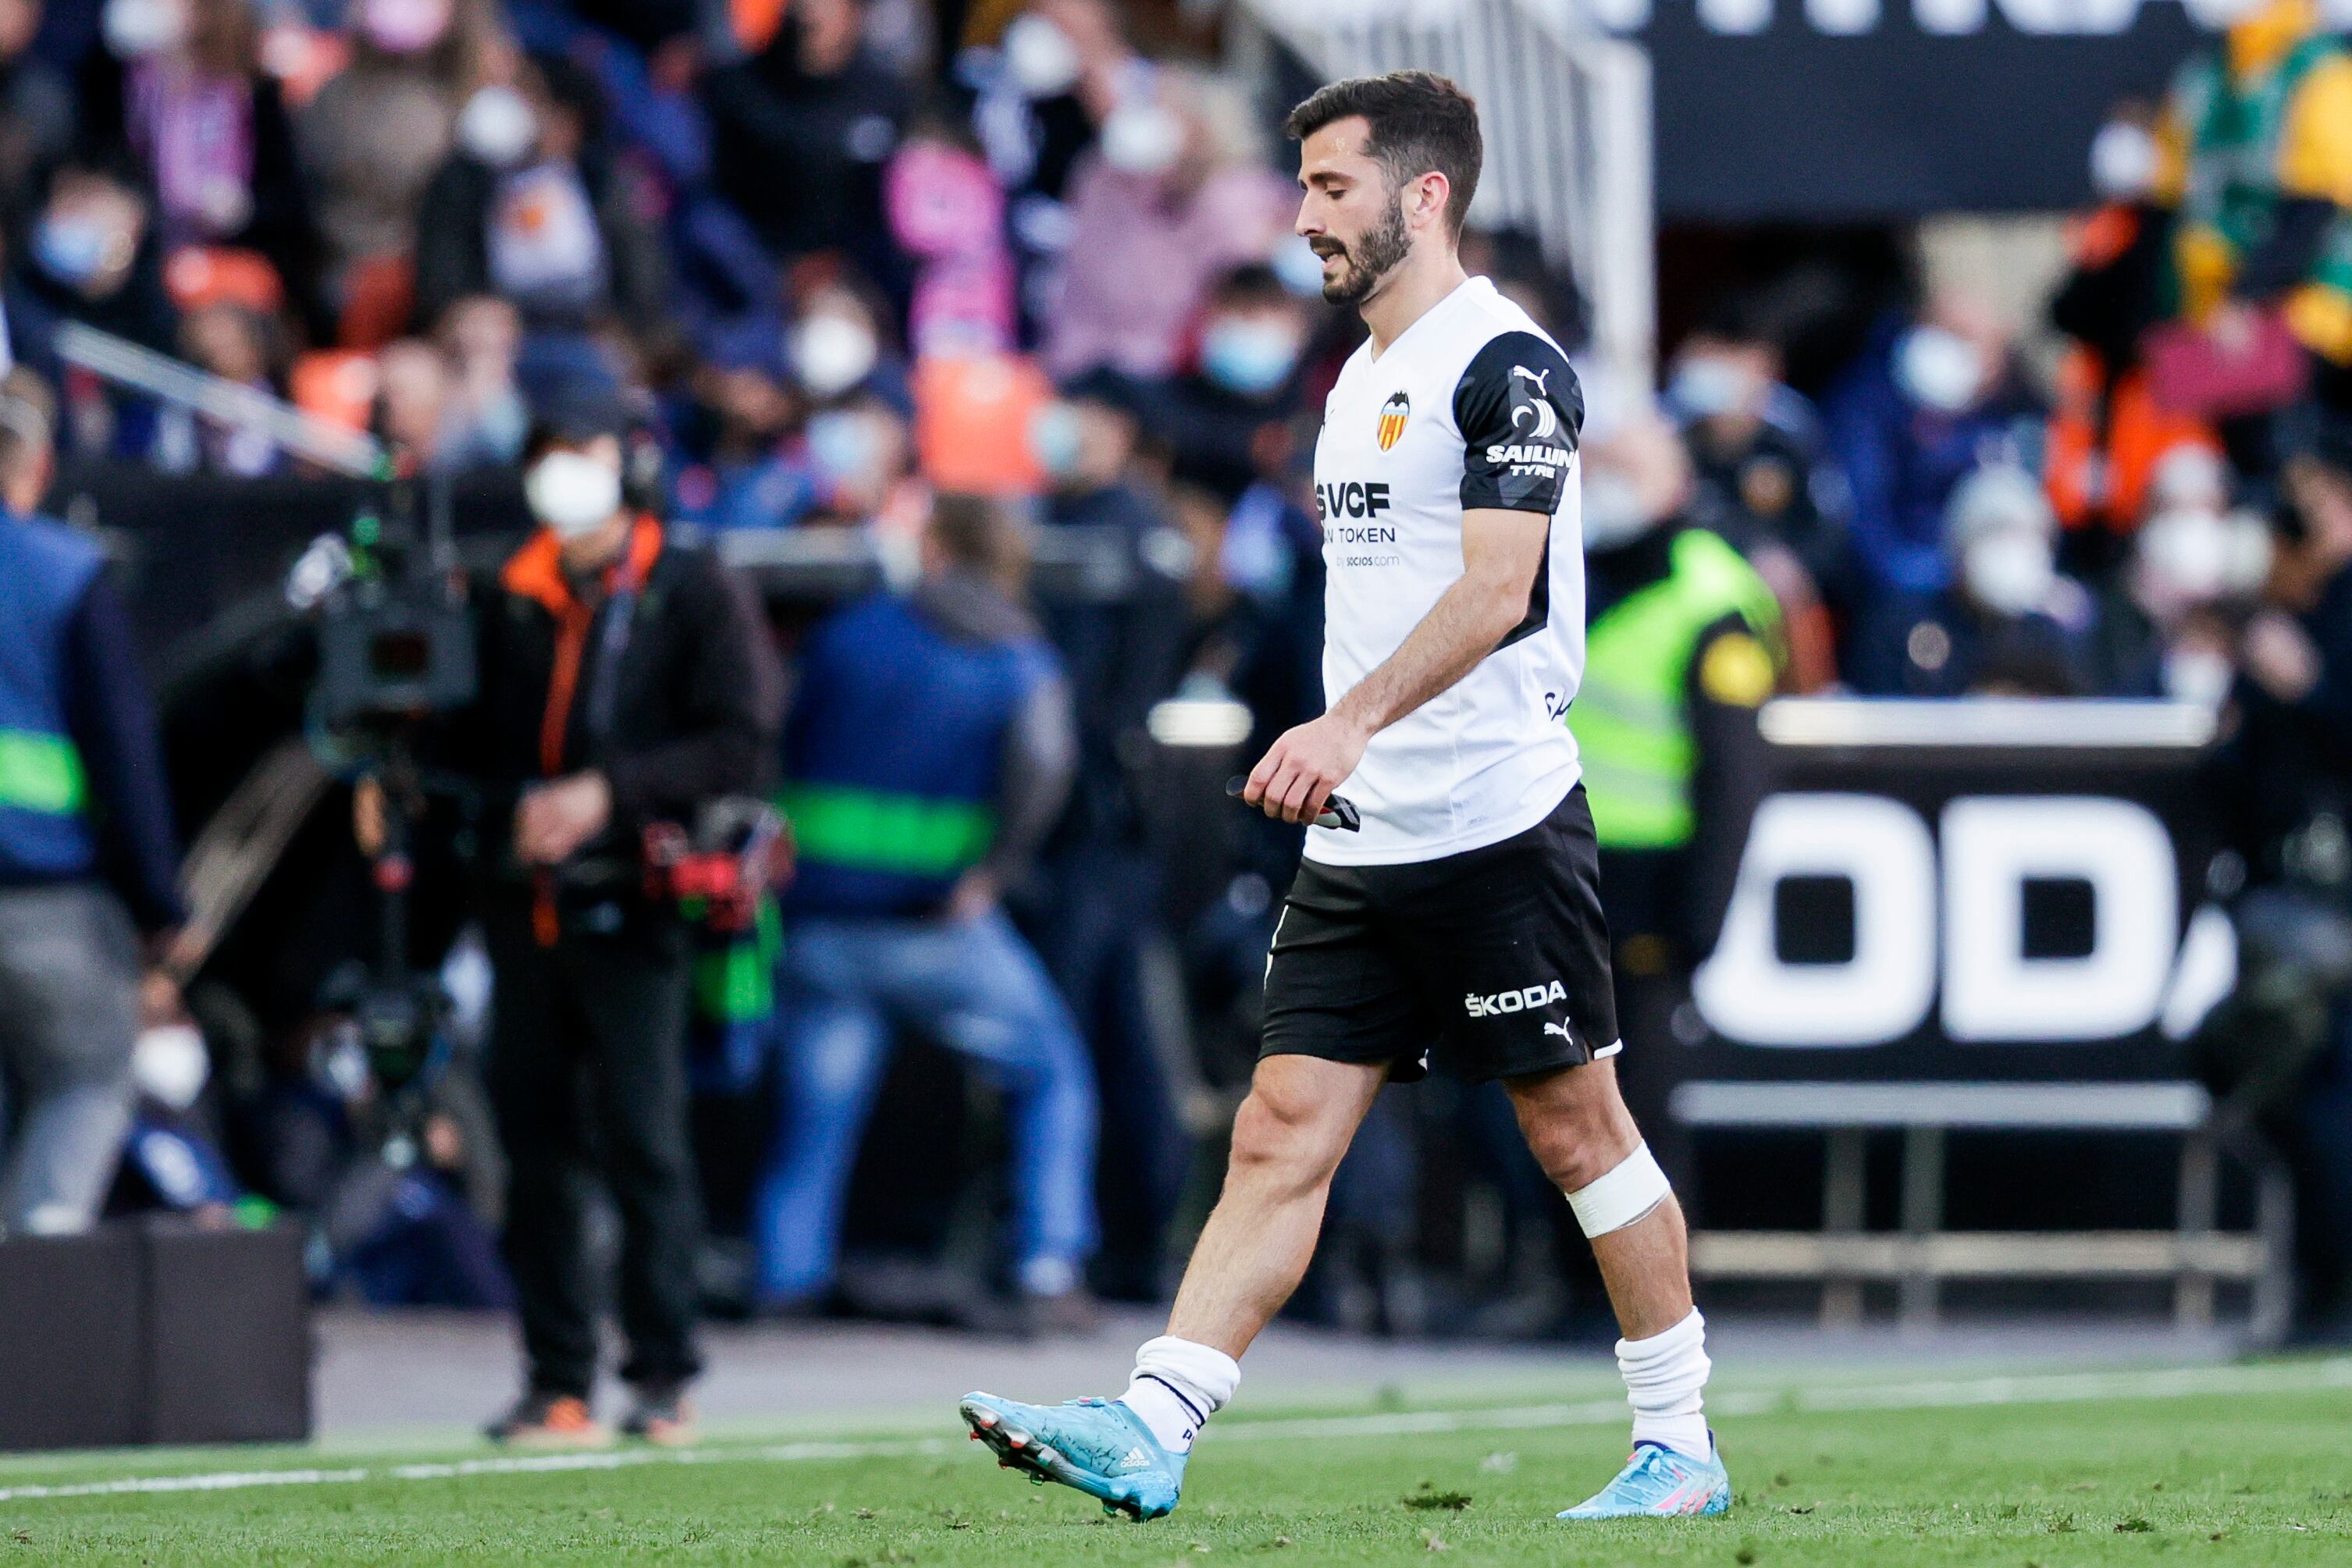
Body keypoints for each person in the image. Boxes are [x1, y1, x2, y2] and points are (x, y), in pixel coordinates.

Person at [959, 70, 1731, 1524]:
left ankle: (1676, 1439)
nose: (1304, 215)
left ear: (1422, 194)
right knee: (1278, 1123)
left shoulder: (1507, 365)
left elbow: (1498, 594)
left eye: (1330, 186)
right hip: (1366, 835)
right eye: (1303, 184)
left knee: (1575, 1132)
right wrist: (1346, 746)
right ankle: (1152, 1419)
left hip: (1497, 825)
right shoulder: (1356, 377)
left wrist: (1347, 721)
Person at [449, 402, 781, 1448]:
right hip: (524, 904)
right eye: (548, 459)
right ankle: (557, 1381)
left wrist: (609, 793)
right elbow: (469, 738)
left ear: (629, 466)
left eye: (580, 456)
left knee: (645, 1141)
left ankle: (663, 1376)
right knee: (535, 1148)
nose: (565, 479)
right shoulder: (507, 592)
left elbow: (740, 741)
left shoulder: (691, 586)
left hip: (637, 903)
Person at [756, 493, 1098, 1324]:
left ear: (936, 547)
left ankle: (783, 1275)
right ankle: (1047, 1267)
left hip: (823, 921)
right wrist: (995, 870)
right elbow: (1047, 765)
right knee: (1052, 1073)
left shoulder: (847, 634)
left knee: (816, 1109)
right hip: (936, 925)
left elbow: (777, 741)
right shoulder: (1018, 656)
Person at [1570, 411, 1780, 1170]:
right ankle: (1566, 1279)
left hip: (1650, 885)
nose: (1605, 487)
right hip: (1562, 867)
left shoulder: (1710, 597)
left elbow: (1734, 774)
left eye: (1628, 470)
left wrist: (1703, 913)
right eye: (1596, 468)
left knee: (1640, 1103)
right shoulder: (1566, 569)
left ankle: (1650, 1287)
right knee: (1560, 1098)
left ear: (1677, 483)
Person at [0, 374, 184, 1235]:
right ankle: (37, 1273)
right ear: (33, 465)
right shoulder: (64, 575)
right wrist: (159, 903)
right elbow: (123, 752)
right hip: (50, 906)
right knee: (84, 1079)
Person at [1848, 464, 2101, 697]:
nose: (2011, 550)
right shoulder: (1901, 622)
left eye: (2027, 534)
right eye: (1996, 531)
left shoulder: (2052, 637)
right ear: (1960, 544)